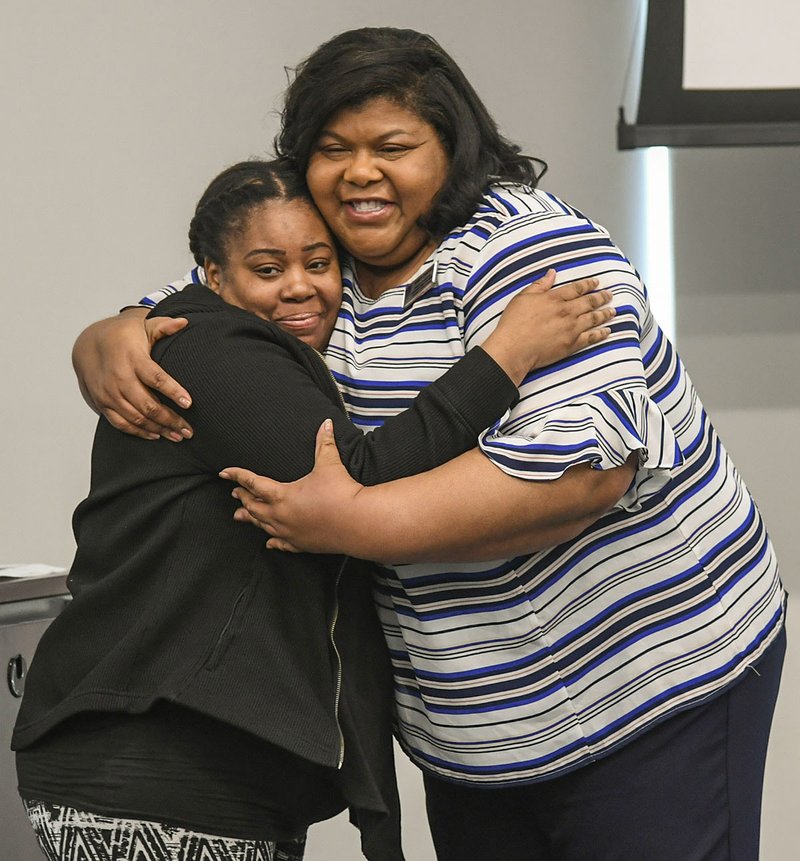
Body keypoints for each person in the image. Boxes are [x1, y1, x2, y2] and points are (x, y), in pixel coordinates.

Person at [71, 28, 786, 861]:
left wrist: (354, 521)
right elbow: (197, 308)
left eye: (394, 146)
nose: (360, 172)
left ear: (453, 150)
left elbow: (586, 476)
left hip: (651, 678)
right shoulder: (318, 249)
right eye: (333, 148)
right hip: (471, 724)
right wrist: (109, 334)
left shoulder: (532, 252)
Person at [14, 157, 614, 861]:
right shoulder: (209, 347)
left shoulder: (264, 356)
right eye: (268, 269)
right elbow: (355, 476)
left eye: (319, 263)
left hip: (205, 769)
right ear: (213, 277)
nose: (300, 287)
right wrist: (507, 353)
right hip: (152, 762)